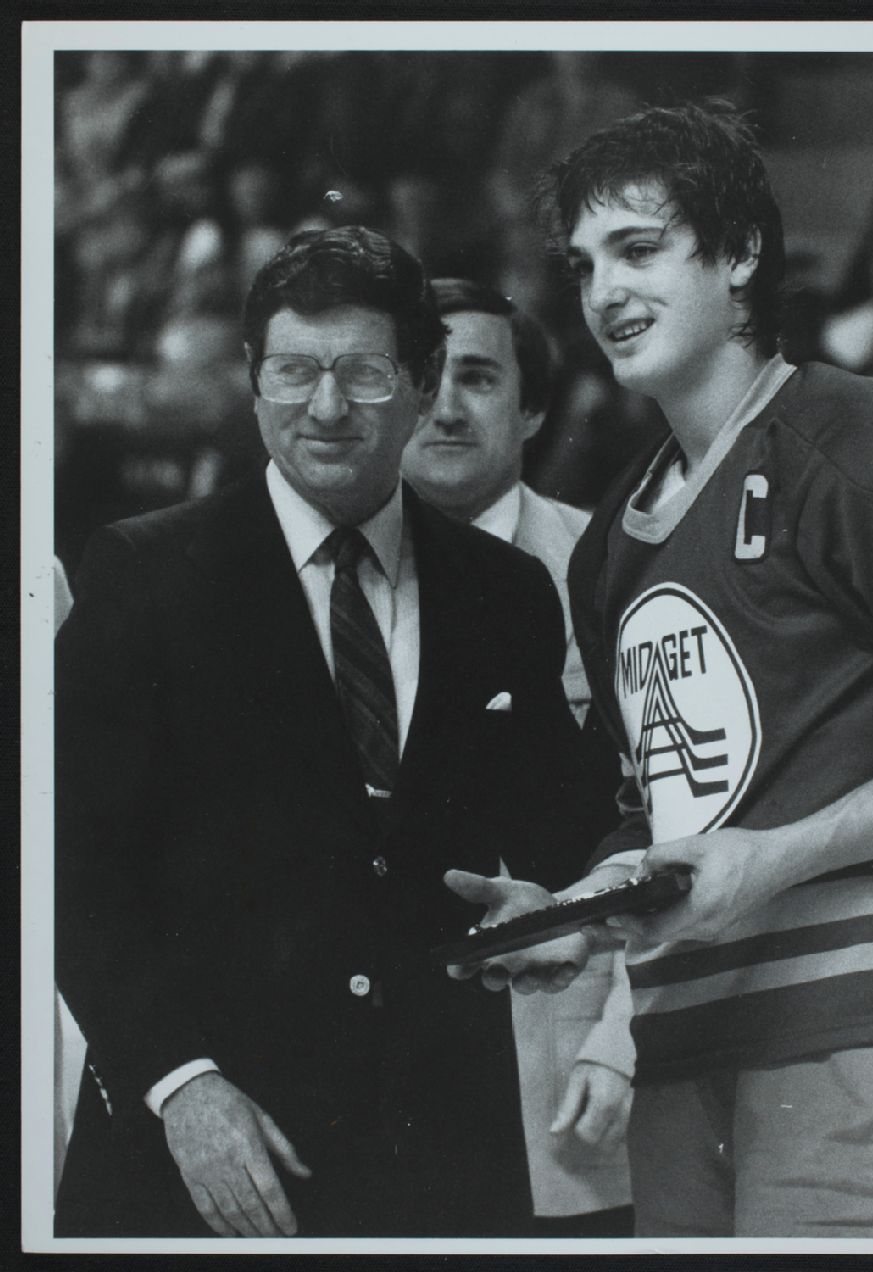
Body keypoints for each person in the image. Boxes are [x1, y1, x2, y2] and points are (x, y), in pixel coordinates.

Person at [446, 101, 873, 1239]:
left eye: (638, 249)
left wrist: (775, 859)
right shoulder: (608, 546)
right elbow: (674, 804)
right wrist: (589, 908)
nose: (604, 291)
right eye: (583, 265)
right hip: (684, 1047)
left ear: (739, 251)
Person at [54, 226, 611, 1239]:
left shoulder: (507, 592)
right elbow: (67, 864)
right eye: (294, 371)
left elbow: (560, 828)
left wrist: (555, 908)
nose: (324, 407)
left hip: (436, 1163)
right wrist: (180, 1084)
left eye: (362, 373)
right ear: (252, 377)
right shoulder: (144, 574)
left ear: (419, 381)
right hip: (204, 1159)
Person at [402, 278, 634, 1235]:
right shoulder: (323, 582)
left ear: (534, 409)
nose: (447, 407)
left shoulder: (609, 567)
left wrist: (624, 1032)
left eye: (479, 377)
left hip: (565, 1061)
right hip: (386, 1074)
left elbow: (672, 815)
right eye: (425, 377)